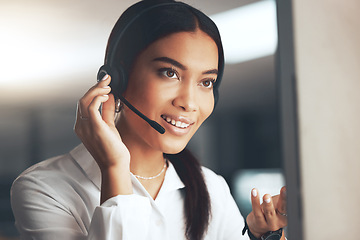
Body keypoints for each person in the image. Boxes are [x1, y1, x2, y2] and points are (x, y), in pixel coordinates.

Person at [11, 0, 287, 239]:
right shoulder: (45, 187)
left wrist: (257, 235)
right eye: (169, 73)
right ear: (116, 78)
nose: (189, 103)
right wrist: (115, 166)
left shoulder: (211, 187)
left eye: (206, 82)